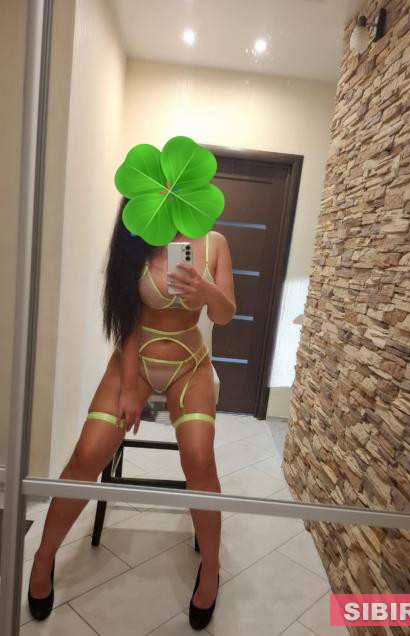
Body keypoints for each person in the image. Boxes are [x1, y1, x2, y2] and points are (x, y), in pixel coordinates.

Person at [28, 195, 236, 629]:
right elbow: (126, 318)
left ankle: (211, 570)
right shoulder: (136, 237)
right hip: (134, 361)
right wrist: (127, 389)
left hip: (189, 363)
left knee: (200, 459)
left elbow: (225, 314)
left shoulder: (214, 242)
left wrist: (207, 291)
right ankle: (43, 557)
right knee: (86, 456)